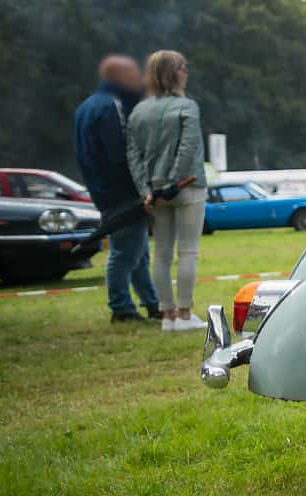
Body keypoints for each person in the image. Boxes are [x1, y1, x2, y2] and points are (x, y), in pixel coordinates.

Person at [72, 55, 161, 324]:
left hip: (104, 192)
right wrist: (145, 188)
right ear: (119, 77)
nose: (139, 79)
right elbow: (122, 152)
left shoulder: (86, 106)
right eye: (133, 73)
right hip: (123, 192)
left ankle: (151, 304)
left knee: (137, 253)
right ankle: (121, 308)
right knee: (125, 254)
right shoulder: (113, 106)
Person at [126, 50, 207, 332]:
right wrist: (173, 183)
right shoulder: (187, 107)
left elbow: (133, 156)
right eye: (183, 68)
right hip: (187, 187)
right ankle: (184, 314)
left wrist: (146, 189)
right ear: (175, 73)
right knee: (188, 251)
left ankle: (167, 316)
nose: (186, 72)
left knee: (160, 254)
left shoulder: (138, 111)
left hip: (155, 192)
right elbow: (188, 148)